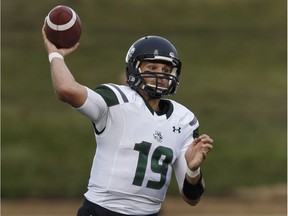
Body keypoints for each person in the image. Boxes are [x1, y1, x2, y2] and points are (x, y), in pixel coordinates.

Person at [42, 26, 214, 216]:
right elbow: (66, 90)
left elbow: (192, 198)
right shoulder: (116, 100)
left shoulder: (184, 120)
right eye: (152, 68)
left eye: (166, 69)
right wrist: (55, 55)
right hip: (102, 210)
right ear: (134, 69)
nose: (161, 75)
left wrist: (193, 170)